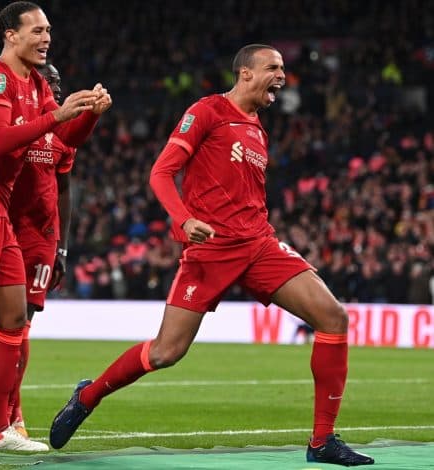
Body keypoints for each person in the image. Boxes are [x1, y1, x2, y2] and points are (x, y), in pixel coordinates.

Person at [49, 44, 374, 467]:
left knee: (333, 317)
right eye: (273, 68)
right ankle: (88, 396)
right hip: (210, 250)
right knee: (165, 352)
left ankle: (322, 441)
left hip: (258, 244)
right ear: (245, 73)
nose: (282, 76)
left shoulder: (258, 130)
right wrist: (184, 220)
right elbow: (161, 173)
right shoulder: (207, 111)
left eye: (283, 69)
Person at [0, 1, 110, 451]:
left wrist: (88, 114)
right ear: (11, 34)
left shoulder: (35, 82)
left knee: (13, 321)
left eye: (48, 30)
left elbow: (63, 139)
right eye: (37, 30)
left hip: (0, 213)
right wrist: (57, 115)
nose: (46, 37)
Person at [7, 62, 76, 438]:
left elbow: (64, 190)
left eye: (58, 81)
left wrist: (61, 249)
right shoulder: (11, 126)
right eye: (50, 81)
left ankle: (13, 415)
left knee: (22, 325)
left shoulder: (63, 135)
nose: (57, 87)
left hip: (40, 239)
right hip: (0, 230)